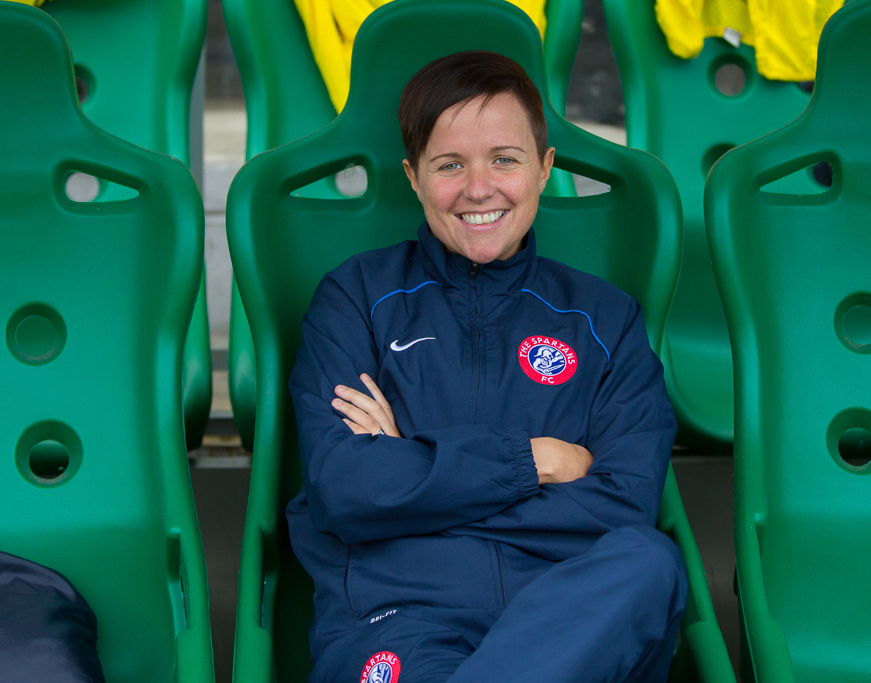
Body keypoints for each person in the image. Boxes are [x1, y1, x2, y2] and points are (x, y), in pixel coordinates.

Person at [287, 50, 686, 683]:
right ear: (414, 177)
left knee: (648, 561)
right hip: (398, 622)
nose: (479, 188)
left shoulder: (606, 321)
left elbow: (621, 507)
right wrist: (535, 462)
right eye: (450, 165)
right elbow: (345, 490)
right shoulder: (355, 301)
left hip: (570, 628)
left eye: (504, 159)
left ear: (544, 168)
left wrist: (412, 480)